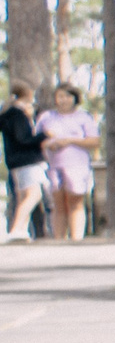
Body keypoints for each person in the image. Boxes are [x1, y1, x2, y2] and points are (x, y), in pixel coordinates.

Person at [34, 84, 100, 242]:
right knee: (58, 203)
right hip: (54, 165)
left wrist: (70, 140)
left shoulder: (83, 117)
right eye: (60, 96)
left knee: (75, 201)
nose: (64, 100)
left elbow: (94, 141)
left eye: (68, 96)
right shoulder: (46, 117)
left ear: (75, 98)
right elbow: (37, 140)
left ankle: (76, 239)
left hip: (77, 164)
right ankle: (59, 239)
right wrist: (50, 144)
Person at [3, 81, 45, 242]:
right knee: (34, 194)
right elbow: (23, 139)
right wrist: (43, 136)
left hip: (14, 161)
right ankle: (16, 228)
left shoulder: (7, 113)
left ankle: (21, 230)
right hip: (27, 160)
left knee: (22, 196)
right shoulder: (17, 115)